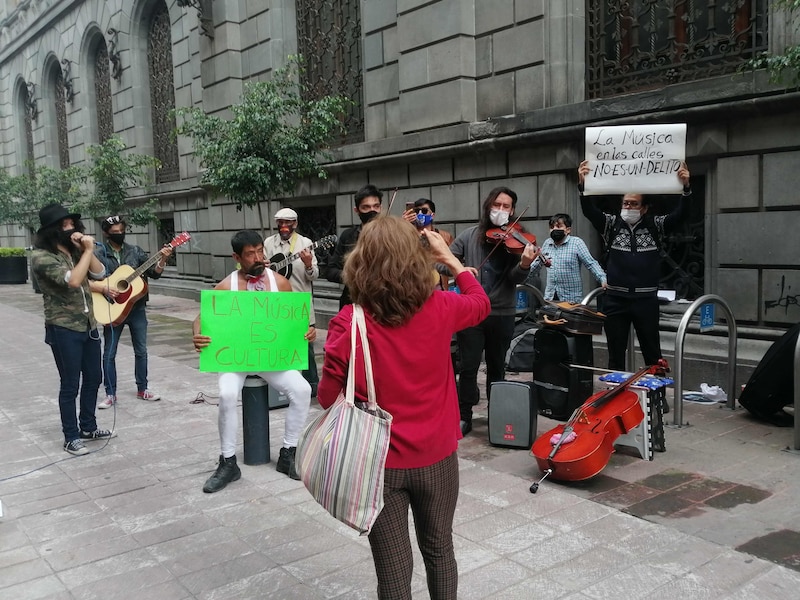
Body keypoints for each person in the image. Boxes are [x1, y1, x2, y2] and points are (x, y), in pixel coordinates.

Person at [318, 216, 490, 600]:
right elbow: (480, 304)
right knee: (440, 551)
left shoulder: (349, 323)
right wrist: (451, 260)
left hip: (379, 466)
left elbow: (328, 398)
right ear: (417, 261)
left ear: (360, 263)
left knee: (393, 571)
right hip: (438, 458)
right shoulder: (442, 307)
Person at [192, 230, 313, 492]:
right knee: (226, 395)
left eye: (260, 251)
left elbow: (296, 320)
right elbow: (201, 319)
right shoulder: (226, 285)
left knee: (303, 390)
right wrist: (197, 334)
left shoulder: (280, 283)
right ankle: (228, 462)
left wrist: (307, 331)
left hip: (270, 358)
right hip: (236, 359)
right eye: (250, 254)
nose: (258, 257)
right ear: (236, 257)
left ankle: (288, 453)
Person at [578, 159, 692, 370]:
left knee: (652, 355)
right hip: (615, 300)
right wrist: (583, 186)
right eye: (625, 203)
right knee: (615, 356)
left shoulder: (655, 226)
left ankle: (656, 400)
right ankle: (616, 399)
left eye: (634, 204)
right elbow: (589, 211)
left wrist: (685, 188)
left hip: (645, 301)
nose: (628, 207)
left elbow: (680, 215)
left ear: (644, 208)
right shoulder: (611, 224)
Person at [448, 186, 537, 435]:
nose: (500, 210)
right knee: (468, 367)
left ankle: (496, 418)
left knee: (497, 368)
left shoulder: (516, 238)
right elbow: (442, 260)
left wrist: (524, 264)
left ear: (513, 211)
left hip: (502, 313)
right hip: (471, 312)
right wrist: (460, 270)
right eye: (496, 205)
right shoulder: (468, 236)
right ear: (488, 206)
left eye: (506, 206)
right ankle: (463, 415)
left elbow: (513, 278)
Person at [30, 203, 115, 456]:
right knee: (70, 384)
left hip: (88, 325)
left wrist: (85, 251)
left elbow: (99, 274)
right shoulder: (41, 257)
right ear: (51, 230)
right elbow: (74, 280)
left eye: (72, 224)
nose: (70, 229)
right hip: (63, 328)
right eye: (64, 226)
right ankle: (71, 436)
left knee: (94, 378)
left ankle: (88, 427)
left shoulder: (75, 252)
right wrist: (87, 249)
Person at [91, 215, 173, 408]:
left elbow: (154, 274)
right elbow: (87, 281)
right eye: (115, 232)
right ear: (106, 233)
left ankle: (142, 388)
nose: (119, 234)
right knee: (109, 353)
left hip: (136, 308)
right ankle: (110, 394)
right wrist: (103, 289)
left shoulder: (135, 251)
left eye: (122, 231)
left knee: (141, 350)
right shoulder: (97, 255)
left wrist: (162, 259)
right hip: (111, 308)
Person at [263, 207, 320, 396]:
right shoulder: (269, 243)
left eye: (288, 222)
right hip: (277, 303)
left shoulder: (305, 243)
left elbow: (314, 276)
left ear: (295, 224)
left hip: (299, 304)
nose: (284, 226)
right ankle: (281, 386)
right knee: (280, 344)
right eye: (280, 222)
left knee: (306, 347)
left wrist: (308, 264)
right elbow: (261, 271)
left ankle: (312, 386)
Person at [525, 213, 606, 303]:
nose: (554, 229)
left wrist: (603, 278)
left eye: (559, 226)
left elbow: (591, 263)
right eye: (552, 227)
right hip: (550, 298)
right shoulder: (547, 243)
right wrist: (521, 277)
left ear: (568, 230)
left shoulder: (576, 243)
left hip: (571, 300)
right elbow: (536, 266)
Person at [326, 184, 382, 308]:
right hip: (353, 301)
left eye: (376, 206)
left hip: (382, 303)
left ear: (381, 208)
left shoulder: (391, 234)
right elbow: (330, 271)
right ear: (356, 210)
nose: (372, 211)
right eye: (366, 207)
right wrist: (352, 276)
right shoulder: (348, 235)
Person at [402, 197, 454, 290]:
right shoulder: (407, 235)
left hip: (439, 286)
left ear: (432, 215)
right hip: (415, 287)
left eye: (424, 211)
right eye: (417, 211)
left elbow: (453, 261)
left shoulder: (444, 236)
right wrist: (403, 226)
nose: (420, 214)